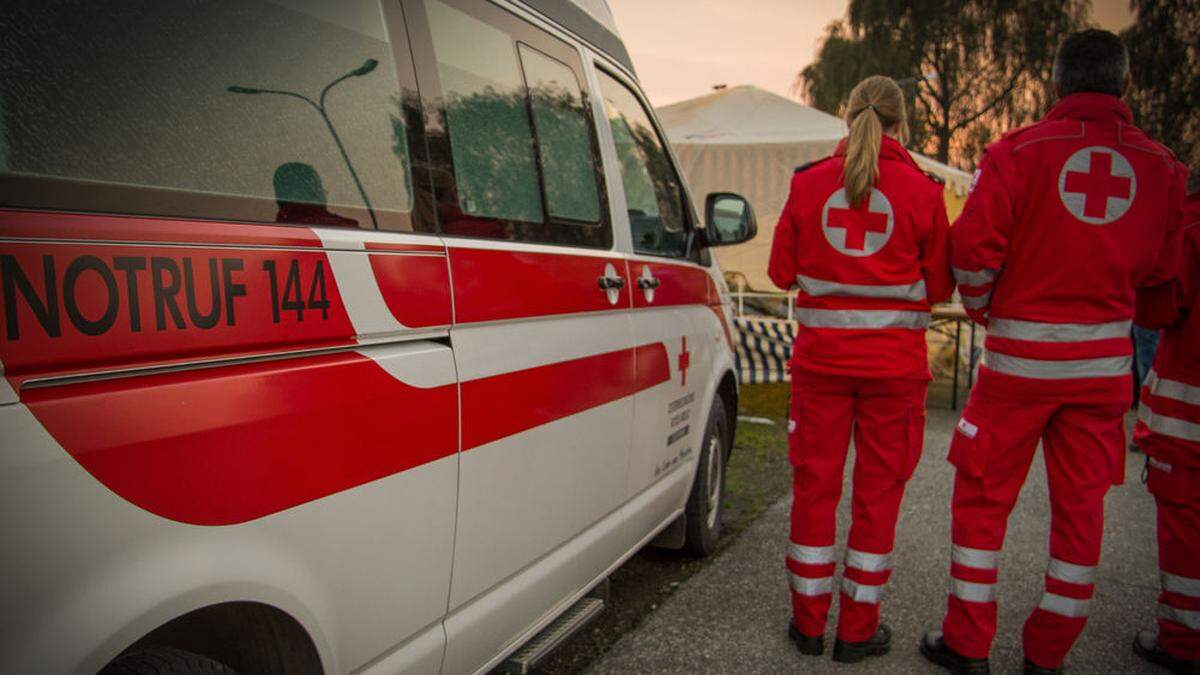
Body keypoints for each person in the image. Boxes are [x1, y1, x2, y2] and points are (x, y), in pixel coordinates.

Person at [918, 29, 1188, 675]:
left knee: (982, 502)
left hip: (1016, 367)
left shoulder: (1017, 152)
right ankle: (1048, 655)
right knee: (1081, 513)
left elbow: (972, 250)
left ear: (1058, 83)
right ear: (1123, 85)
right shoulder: (1165, 168)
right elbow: (1162, 278)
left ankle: (968, 642)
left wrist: (987, 308)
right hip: (1101, 375)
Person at [767, 75, 954, 664]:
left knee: (814, 491)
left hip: (820, 369)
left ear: (846, 118)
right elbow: (942, 283)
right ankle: (857, 632)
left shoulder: (807, 185)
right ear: (902, 124)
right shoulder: (924, 192)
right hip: (894, 377)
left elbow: (778, 273)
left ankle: (807, 625)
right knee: (878, 499)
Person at [1130, 187, 1200, 674]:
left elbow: (1157, 310)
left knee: (1186, 524)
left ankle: (1183, 638)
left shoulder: (1191, 225)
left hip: (1189, 406)